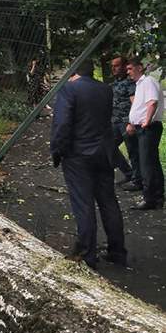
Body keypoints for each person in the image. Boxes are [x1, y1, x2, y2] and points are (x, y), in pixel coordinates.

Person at [51, 60, 127, 268]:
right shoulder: (105, 90)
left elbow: (62, 123)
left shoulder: (69, 90)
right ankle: (117, 251)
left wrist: (57, 151)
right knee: (108, 202)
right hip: (103, 153)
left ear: (74, 72)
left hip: (78, 155)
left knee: (83, 203)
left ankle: (87, 253)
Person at [124, 57, 164, 210]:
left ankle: (150, 199)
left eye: (130, 69)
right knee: (151, 163)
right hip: (142, 127)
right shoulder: (140, 84)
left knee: (147, 164)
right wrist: (132, 122)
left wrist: (146, 121)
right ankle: (157, 197)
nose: (128, 72)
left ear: (140, 68)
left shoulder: (148, 82)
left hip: (148, 127)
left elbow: (152, 102)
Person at [109, 56, 139, 184]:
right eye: (112, 66)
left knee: (133, 152)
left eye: (117, 65)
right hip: (114, 122)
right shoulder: (115, 82)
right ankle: (129, 173)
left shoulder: (130, 83)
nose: (113, 68)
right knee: (109, 147)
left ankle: (138, 181)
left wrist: (131, 123)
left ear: (124, 66)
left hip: (127, 122)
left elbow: (135, 103)